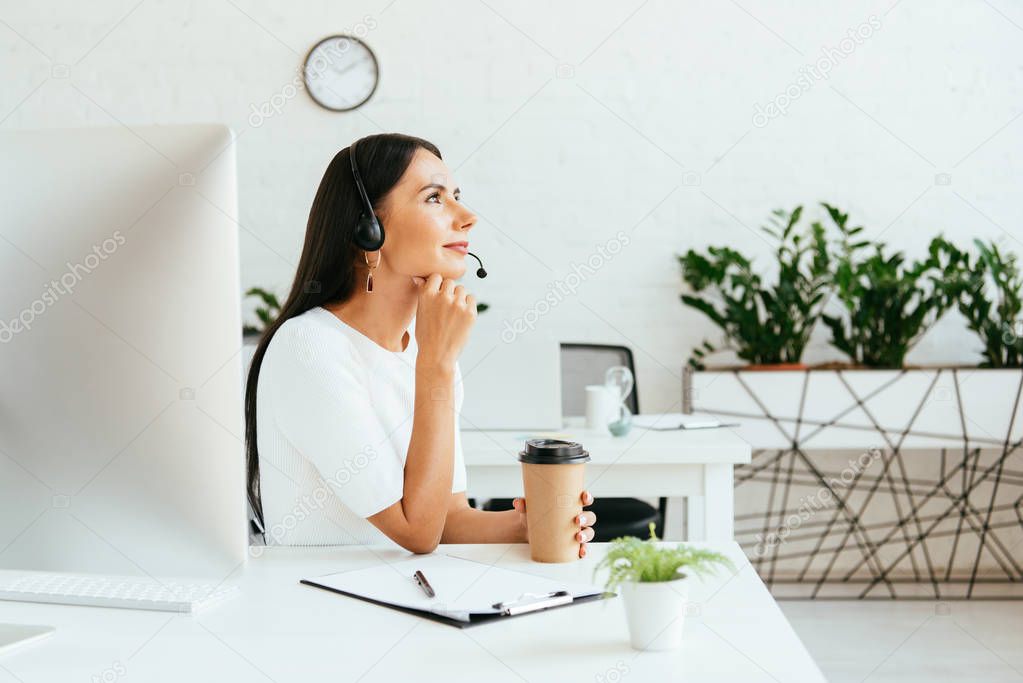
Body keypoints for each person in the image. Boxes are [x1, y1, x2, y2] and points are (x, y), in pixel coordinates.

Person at [243, 133, 596, 555]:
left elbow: (444, 517)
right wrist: (437, 367)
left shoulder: (422, 351)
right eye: (434, 198)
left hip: (401, 596)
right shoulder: (309, 346)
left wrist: (533, 523)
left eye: (457, 196)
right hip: (320, 608)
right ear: (368, 229)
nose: (467, 216)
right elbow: (417, 532)